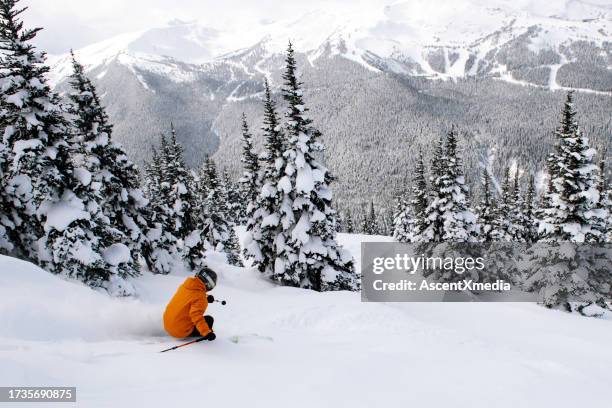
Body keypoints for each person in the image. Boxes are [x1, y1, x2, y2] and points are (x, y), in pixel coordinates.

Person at [163, 267, 218, 341]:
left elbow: (190, 297)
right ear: (208, 284)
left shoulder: (185, 286)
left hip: (167, 325)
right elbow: (196, 316)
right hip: (179, 332)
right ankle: (202, 334)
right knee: (209, 320)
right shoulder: (200, 298)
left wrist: (206, 297)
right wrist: (207, 333)